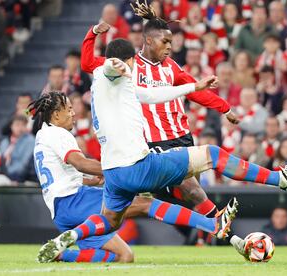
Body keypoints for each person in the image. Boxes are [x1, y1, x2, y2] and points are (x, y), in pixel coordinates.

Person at [37, 36, 287, 263]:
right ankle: (281, 179)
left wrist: (193, 87)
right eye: (133, 63)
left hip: (114, 174)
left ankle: (71, 237)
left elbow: (153, 95)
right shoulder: (109, 74)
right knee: (211, 155)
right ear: (129, 61)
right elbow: (107, 69)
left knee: (110, 221)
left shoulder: (116, 87)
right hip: (138, 165)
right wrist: (115, 63)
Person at [80, 1, 240, 244]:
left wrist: (224, 107)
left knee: (184, 194)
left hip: (181, 135)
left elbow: (194, 90)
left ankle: (209, 232)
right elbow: (89, 64)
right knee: (189, 190)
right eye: (165, 42)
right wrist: (92, 34)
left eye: (170, 43)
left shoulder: (171, 68)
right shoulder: (126, 65)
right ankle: (224, 233)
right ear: (148, 41)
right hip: (153, 143)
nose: (170, 47)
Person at [28, 92, 235, 263]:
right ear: (55, 115)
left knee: (125, 256)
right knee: (145, 203)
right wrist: (114, 170)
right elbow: (80, 163)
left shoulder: (42, 136)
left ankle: (62, 253)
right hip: (73, 201)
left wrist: (95, 179)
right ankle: (212, 225)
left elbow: (64, 176)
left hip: (62, 210)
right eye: (69, 109)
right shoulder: (59, 134)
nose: (74, 113)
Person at [0, 115, 35, 183]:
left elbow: (24, 163)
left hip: (20, 176)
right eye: (17, 125)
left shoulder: (30, 140)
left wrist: (7, 174)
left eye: (23, 125)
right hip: (5, 175)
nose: (20, 128)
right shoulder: (4, 142)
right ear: (11, 126)